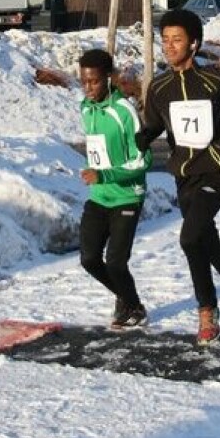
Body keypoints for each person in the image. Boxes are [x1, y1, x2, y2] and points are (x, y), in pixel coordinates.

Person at [135, 9, 220, 346]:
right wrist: (145, 136)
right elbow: (158, 123)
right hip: (183, 178)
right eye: (165, 40)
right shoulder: (159, 87)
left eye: (177, 40)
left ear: (194, 43)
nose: (169, 46)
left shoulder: (215, 80)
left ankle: (207, 313)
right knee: (205, 240)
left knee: (189, 239)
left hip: (215, 174)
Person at [78, 48, 152, 329]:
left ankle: (134, 307)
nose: (88, 88)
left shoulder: (125, 110)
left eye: (94, 81)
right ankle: (127, 298)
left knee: (116, 263)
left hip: (127, 196)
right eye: (83, 81)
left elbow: (143, 160)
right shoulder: (85, 108)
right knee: (89, 259)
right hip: (99, 196)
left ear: (109, 78)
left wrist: (105, 174)